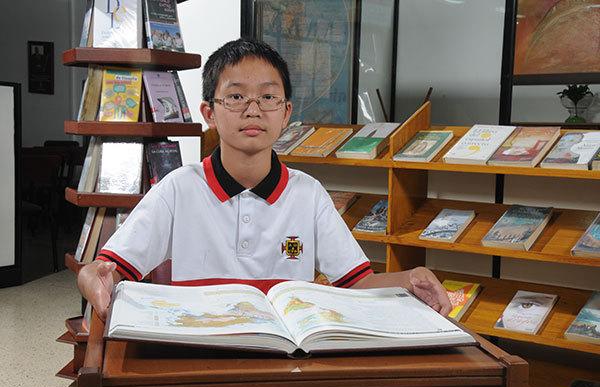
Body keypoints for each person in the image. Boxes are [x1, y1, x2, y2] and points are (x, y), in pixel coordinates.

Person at [77, 38, 452, 321]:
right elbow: (108, 268)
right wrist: (92, 276)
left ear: (286, 113)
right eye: (236, 96)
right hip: (202, 353)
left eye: (268, 97)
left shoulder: (308, 194)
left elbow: (356, 283)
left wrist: (409, 278)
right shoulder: (178, 188)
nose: (253, 109)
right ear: (209, 111)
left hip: (285, 359)